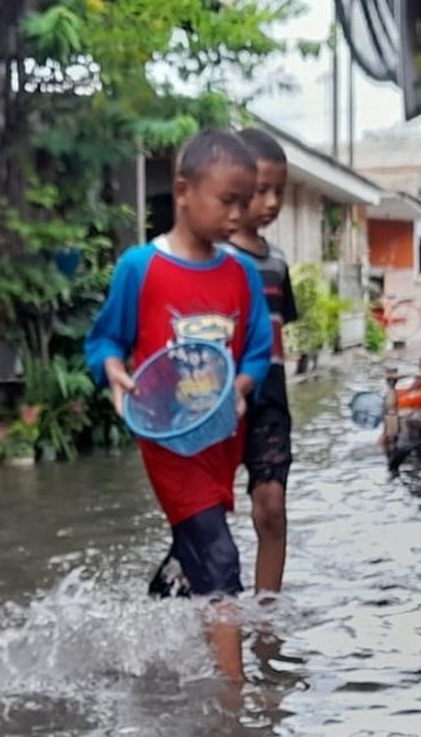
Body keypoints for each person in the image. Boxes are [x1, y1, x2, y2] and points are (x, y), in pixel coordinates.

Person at [85, 130, 273, 683]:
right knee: (221, 559)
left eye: (246, 200)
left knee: (195, 552)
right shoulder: (140, 268)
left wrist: (242, 385)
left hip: (220, 442)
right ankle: (234, 699)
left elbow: (259, 348)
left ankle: (150, 647)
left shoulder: (240, 274)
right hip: (169, 443)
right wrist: (113, 371)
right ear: (184, 191)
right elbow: (104, 342)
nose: (239, 214)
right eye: (228, 201)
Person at [223, 128, 297, 594]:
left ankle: (267, 616)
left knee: (271, 506)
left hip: (269, 394)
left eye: (279, 193)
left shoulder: (278, 261)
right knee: (208, 509)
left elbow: (280, 331)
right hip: (218, 395)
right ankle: (215, 609)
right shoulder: (214, 257)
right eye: (261, 190)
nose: (270, 202)